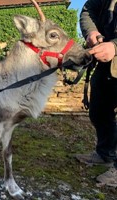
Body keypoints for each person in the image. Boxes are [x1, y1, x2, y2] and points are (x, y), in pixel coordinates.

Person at [75, 0, 117, 187]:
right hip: (105, 62)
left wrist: (115, 47)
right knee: (99, 110)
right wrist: (92, 33)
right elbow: (88, 10)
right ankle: (105, 153)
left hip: (112, 51)